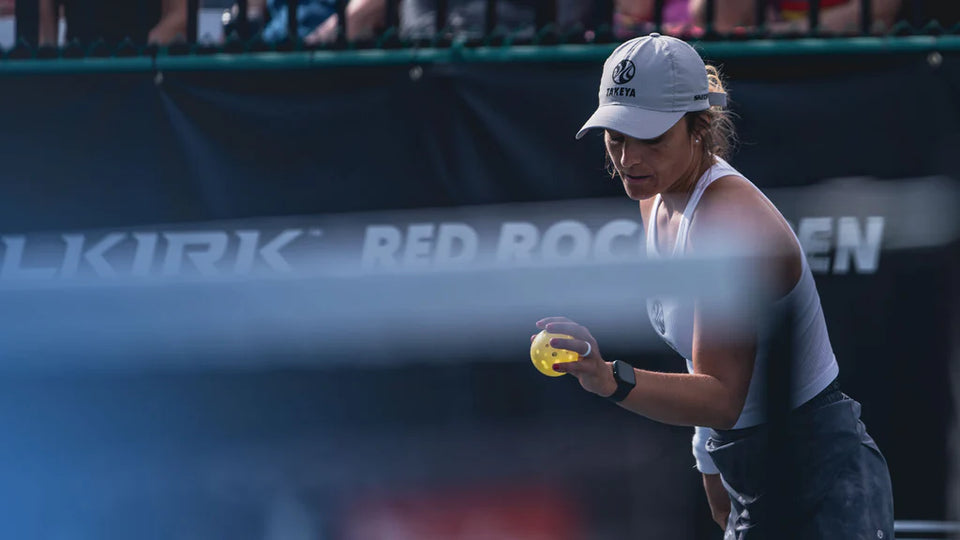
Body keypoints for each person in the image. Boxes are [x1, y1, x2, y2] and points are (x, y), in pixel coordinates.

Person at [536, 33, 894, 537]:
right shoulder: (653, 197)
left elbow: (722, 396)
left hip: (823, 481)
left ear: (698, 129)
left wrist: (609, 377)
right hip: (749, 470)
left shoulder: (731, 224)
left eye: (652, 139)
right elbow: (700, 359)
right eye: (617, 137)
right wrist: (712, 466)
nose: (629, 158)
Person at [689, 0, 901, 34]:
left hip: (864, 72)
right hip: (765, 82)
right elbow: (718, 24)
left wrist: (785, 31)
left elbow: (883, 10)